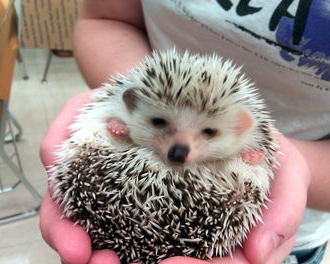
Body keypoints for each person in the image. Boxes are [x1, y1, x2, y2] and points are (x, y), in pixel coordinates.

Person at [39, 1, 330, 263]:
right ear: (132, 102)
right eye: (160, 123)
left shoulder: (247, 138)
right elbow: (105, 18)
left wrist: (296, 167)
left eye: (207, 132)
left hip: (298, 243)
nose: (179, 147)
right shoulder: (124, 106)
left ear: (241, 127)